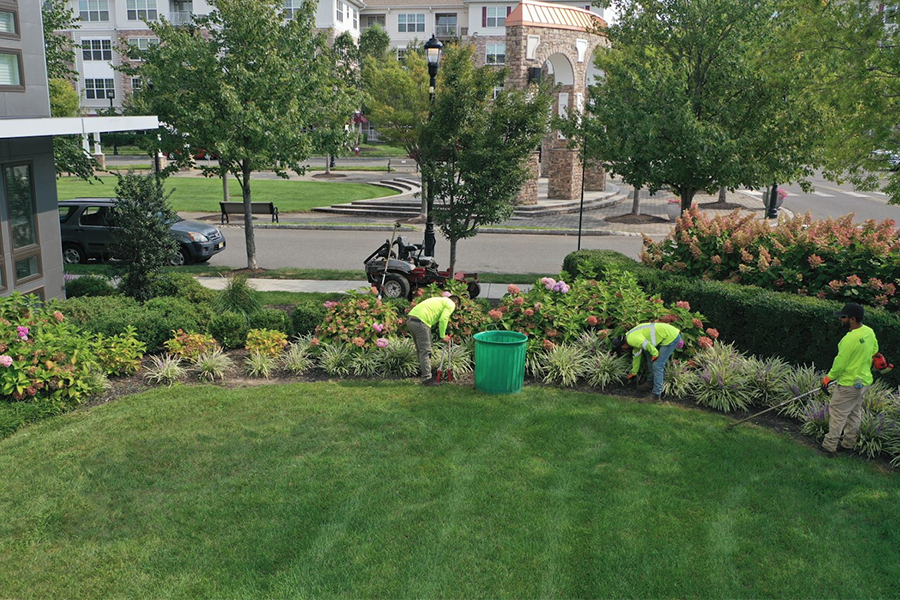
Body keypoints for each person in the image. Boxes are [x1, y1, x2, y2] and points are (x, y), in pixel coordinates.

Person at [821, 302, 879, 457]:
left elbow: (840, 364)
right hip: (864, 383)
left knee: (838, 414)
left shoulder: (848, 340)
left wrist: (828, 378)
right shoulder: (869, 332)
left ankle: (829, 446)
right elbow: (875, 352)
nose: (841, 319)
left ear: (852, 319)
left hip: (848, 385)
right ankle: (848, 444)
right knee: (854, 413)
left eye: (843, 317)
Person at [611, 322, 682, 400]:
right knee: (649, 357)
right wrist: (633, 372)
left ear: (623, 345)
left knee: (657, 365)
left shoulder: (632, 340)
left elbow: (647, 344)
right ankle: (650, 382)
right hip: (668, 333)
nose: (624, 350)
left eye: (622, 349)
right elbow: (636, 356)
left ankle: (656, 395)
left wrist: (655, 354)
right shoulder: (629, 337)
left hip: (671, 337)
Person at [407, 295, 461, 386]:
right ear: (456, 302)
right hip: (421, 322)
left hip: (411, 321)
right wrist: (443, 336)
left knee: (421, 351)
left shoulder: (440, 300)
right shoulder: (451, 303)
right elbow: (443, 319)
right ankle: (427, 379)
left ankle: (424, 374)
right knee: (425, 352)